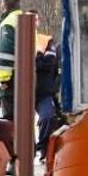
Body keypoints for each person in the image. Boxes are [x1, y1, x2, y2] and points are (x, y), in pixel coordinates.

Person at [0, 0, 23, 119]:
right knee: (23, 118)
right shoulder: (24, 19)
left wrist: (4, 79)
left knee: (10, 120)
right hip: (25, 77)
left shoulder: (8, 23)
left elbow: (6, 53)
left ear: (4, 4)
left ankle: (15, 140)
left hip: (10, 79)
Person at [34, 32, 61, 160]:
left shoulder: (45, 41)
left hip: (43, 92)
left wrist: (37, 57)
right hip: (22, 92)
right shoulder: (16, 38)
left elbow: (48, 64)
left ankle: (43, 146)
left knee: (48, 117)